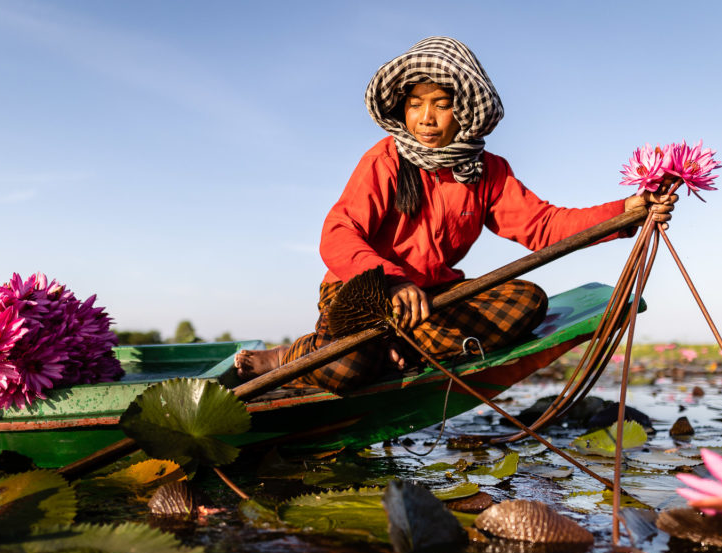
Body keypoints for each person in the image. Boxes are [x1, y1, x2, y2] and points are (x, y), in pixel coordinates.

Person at [235, 37, 675, 392]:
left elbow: (544, 227)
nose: (425, 118)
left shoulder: (489, 172)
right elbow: (338, 233)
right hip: (364, 294)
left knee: (526, 302)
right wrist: (390, 280)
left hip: (433, 302)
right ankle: (294, 355)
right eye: (414, 103)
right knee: (346, 369)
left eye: (441, 104)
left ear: (462, 110)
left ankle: (394, 348)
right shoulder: (385, 159)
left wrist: (625, 212)